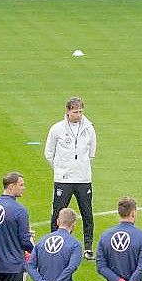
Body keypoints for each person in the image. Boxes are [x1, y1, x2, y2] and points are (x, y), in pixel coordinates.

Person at [45, 97, 97, 260]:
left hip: (83, 179)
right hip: (63, 179)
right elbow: (49, 153)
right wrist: (61, 170)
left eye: (81, 111)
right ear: (67, 111)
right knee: (58, 212)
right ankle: (54, 242)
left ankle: (88, 247)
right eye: (75, 112)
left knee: (87, 212)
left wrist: (81, 168)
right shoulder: (57, 129)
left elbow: (92, 152)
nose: (78, 115)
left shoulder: (89, 128)